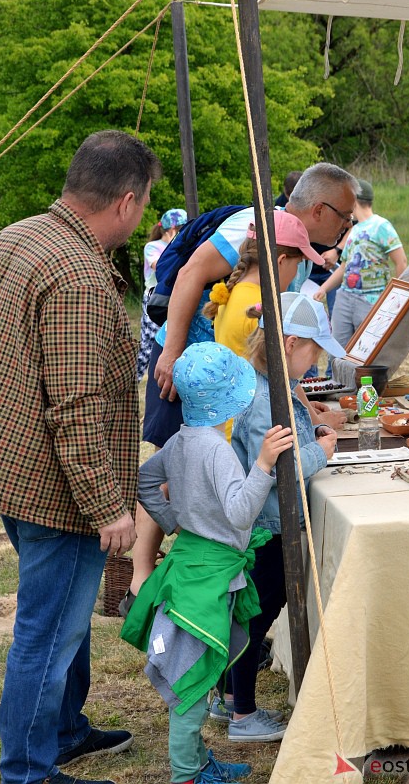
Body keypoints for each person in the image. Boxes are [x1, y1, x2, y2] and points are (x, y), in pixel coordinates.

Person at [0, 129, 161, 784]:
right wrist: (107, 507)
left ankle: (64, 730)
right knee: (47, 634)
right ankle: (28, 771)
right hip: (54, 490)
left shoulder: (19, 235)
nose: (142, 214)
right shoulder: (78, 276)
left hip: (9, 468)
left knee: (66, 614)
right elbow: (76, 406)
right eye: (143, 202)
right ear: (124, 201)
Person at [130, 163, 357, 602]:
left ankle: (179, 566)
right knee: (195, 481)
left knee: (186, 478)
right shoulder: (252, 242)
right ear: (317, 209)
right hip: (198, 378)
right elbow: (192, 275)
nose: (347, 226)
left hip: (217, 392)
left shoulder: (252, 284)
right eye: (343, 218)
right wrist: (173, 353)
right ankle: (146, 577)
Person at [121, 341, 294, 784]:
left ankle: (197, 763)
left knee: (195, 672)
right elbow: (240, 512)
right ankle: (186, 776)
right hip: (207, 578)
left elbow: (145, 479)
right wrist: (263, 463)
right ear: (232, 398)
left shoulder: (180, 440)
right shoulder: (215, 449)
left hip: (193, 564)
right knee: (191, 687)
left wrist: (176, 522)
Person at [217, 291, 342, 742]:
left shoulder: (275, 387)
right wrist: (321, 452)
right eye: (314, 352)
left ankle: (230, 699)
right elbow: (276, 470)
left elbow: (290, 443)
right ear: (290, 344)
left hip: (269, 524)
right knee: (254, 618)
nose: (317, 362)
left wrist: (314, 433)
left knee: (251, 615)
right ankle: (243, 715)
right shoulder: (265, 400)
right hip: (269, 529)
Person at [200, 211, 321, 436]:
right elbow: (285, 374)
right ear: (281, 262)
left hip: (230, 428)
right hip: (253, 435)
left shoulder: (231, 294)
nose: (297, 273)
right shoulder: (262, 307)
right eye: (298, 265)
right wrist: (317, 422)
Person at [316, 179, 406, 350]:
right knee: (337, 349)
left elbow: (401, 261)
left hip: (371, 300)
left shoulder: (381, 226)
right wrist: (324, 288)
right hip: (345, 297)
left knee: (366, 351)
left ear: (354, 201)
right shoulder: (354, 230)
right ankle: (339, 377)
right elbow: (344, 267)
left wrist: (395, 298)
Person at [138, 208, 188, 381]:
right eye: (182, 229)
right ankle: (135, 376)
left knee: (169, 336)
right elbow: (159, 267)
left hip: (172, 297)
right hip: (153, 298)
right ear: (171, 230)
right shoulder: (153, 247)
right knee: (149, 340)